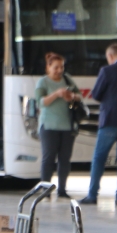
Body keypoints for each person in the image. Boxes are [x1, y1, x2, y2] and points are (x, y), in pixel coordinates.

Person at [80, 43, 117, 205]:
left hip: (109, 121)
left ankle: (93, 195)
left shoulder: (106, 71)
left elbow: (96, 94)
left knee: (99, 158)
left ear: (110, 56)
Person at [35, 53, 81, 199]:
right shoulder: (43, 82)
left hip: (67, 126)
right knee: (48, 158)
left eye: (61, 67)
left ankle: (62, 189)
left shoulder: (67, 79)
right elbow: (40, 102)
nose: (59, 70)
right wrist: (56, 94)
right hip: (48, 126)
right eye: (56, 67)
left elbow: (79, 96)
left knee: (65, 159)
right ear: (48, 67)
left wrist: (71, 96)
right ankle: (45, 189)